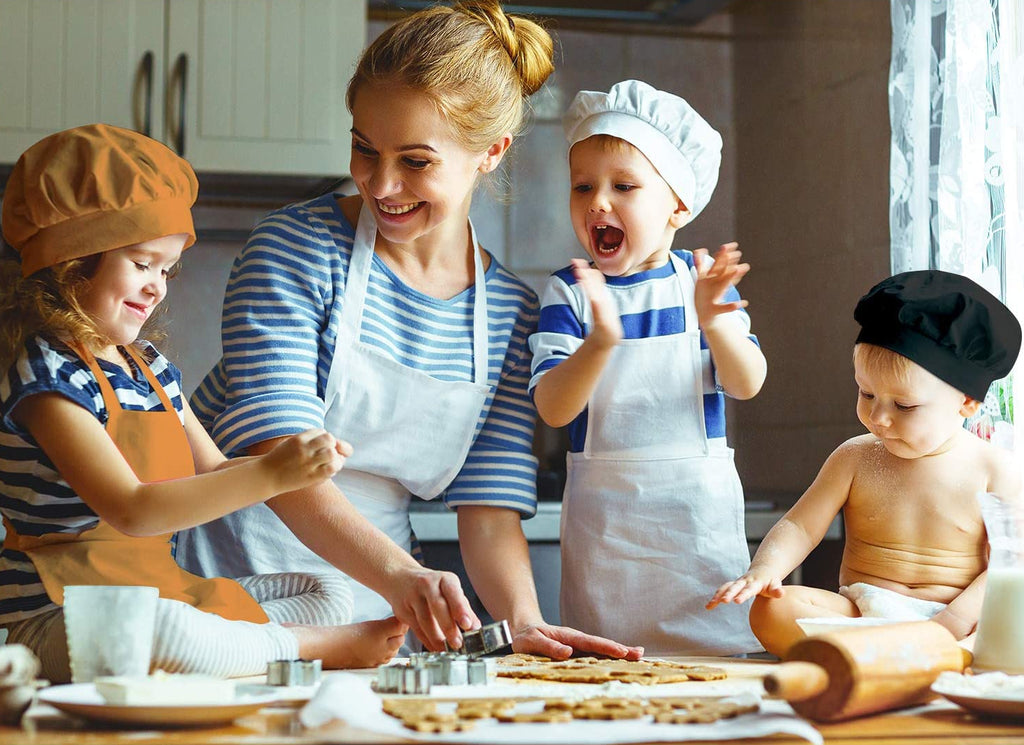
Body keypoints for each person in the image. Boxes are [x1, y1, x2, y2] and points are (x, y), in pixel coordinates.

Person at [177, 0, 642, 660]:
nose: (382, 183)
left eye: (416, 161)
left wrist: (523, 619)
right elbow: (273, 455)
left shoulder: (509, 310)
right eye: (364, 149)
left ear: (491, 152)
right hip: (232, 593)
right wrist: (401, 576)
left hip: (382, 618)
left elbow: (487, 506)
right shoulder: (294, 248)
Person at [0, 124, 408, 682]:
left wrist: (294, 468)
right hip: (60, 613)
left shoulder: (151, 370)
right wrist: (269, 473)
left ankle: (262, 643)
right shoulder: (46, 375)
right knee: (160, 633)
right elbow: (132, 510)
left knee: (326, 590)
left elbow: (215, 470)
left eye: (166, 270)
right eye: (142, 264)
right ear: (73, 259)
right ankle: (299, 648)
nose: (158, 288)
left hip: (157, 588)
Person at [528, 80, 767, 655]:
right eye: (582, 186)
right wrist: (600, 342)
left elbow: (747, 382)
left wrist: (714, 319)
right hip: (607, 543)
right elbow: (554, 407)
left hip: (697, 538)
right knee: (607, 680)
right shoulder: (572, 292)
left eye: (624, 186)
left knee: (712, 685)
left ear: (678, 205)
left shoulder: (702, 283)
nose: (597, 202)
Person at [707, 270, 1023, 657]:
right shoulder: (854, 457)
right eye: (866, 393)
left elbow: (1008, 566)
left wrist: (953, 622)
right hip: (862, 614)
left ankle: (896, 657)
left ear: (967, 402)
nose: (879, 417)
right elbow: (800, 525)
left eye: (904, 405)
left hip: (957, 618)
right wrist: (766, 570)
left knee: (1005, 626)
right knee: (772, 609)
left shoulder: (994, 468)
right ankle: (897, 657)